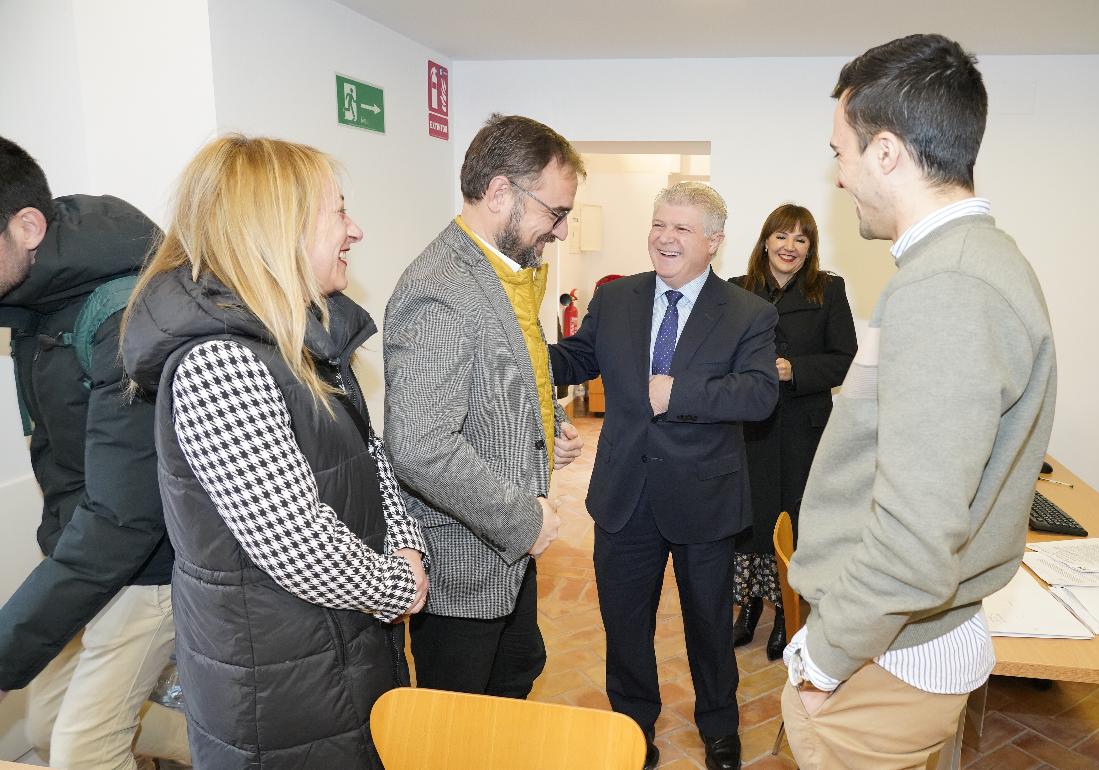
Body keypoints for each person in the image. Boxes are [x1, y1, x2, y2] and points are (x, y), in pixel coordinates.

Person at [781, 34, 1058, 769]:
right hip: (904, 640)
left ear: (887, 153)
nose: (838, 176)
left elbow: (915, 538)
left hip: (888, 656)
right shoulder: (964, 265)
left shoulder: (948, 286)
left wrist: (825, 660)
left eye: (840, 151)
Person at [121, 135, 428, 768]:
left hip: (331, 652)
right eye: (339, 212)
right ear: (278, 228)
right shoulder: (221, 362)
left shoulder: (299, 338)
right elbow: (296, 544)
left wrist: (405, 541)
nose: (356, 230)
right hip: (280, 688)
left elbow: (367, 461)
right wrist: (398, 585)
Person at [548, 181, 779, 770]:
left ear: (714, 242)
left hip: (705, 498)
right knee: (625, 624)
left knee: (708, 624)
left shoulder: (748, 311)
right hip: (624, 494)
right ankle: (633, 727)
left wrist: (679, 393)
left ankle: (719, 727)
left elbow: (758, 394)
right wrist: (523, 344)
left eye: (681, 228)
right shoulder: (619, 297)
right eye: (659, 224)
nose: (665, 237)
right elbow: (577, 357)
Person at [0, 136, 190, 769]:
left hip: (151, 560)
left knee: (81, 751)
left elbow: (126, 514)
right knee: (49, 724)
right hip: (95, 554)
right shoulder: (33, 299)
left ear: (28, 227)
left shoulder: (119, 311)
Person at [384, 113, 584, 699]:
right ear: (501, 193)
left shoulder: (506, 272)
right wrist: (524, 521)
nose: (563, 231)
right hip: (462, 570)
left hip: (506, 559)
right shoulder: (441, 289)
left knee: (514, 684)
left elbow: (509, 369)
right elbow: (421, 445)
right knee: (465, 728)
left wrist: (551, 427)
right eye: (557, 212)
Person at [727, 204, 857, 660]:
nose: (790, 247)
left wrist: (794, 370)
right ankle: (747, 609)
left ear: (810, 249)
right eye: (782, 236)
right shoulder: (736, 291)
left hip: (803, 428)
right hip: (750, 428)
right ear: (765, 241)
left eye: (801, 239)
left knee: (793, 522)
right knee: (749, 521)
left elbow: (845, 359)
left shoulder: (828, 290)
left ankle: (787, 611)